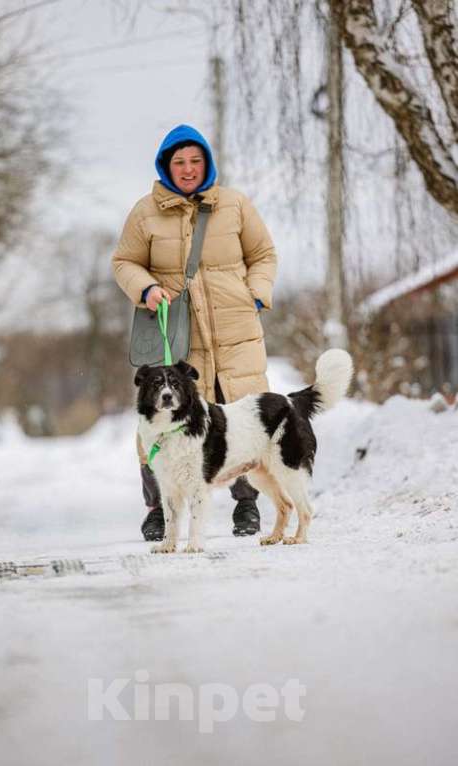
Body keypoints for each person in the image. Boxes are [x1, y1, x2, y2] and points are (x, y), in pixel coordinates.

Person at [112, 124, 277, 541]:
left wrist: (254, 294)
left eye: (195, 160)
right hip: (178, 338)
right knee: (164, 423)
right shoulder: (145, 211)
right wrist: (145, 288)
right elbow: (124, 262)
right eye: (179, 162)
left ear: (207, 163)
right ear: (166, 166)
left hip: (237, 332)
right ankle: (157, 510)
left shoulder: (235, 204)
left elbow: (263, 254)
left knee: (241, 418)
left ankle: (247, 505)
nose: (188, 169)